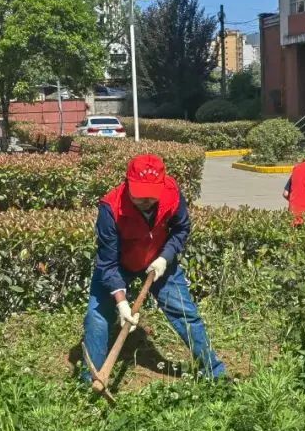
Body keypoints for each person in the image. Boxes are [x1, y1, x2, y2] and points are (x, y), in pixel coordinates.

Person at [83, 153, 225, 382]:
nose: (146, 200)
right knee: (96, 317)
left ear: (161, 185)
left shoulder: (172, 194)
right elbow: (107, 264)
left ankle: (215, 372)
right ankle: (92, 380)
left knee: (186, 314)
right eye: (140, 195)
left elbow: (181, 229)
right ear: (127, 182)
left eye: (151, 195)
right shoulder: (110, 209)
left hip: (158, 260)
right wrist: (121, 303)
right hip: (119, 264)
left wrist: (165, 258)